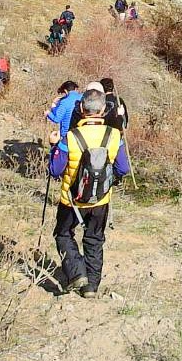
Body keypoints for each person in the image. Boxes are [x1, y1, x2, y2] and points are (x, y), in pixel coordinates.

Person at [54, 89, 129, 297]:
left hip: (71, 199)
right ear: (104, 110)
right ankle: (91, 287)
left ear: (81, 108)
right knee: (95, 239)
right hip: (101, 200)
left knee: (63, 234)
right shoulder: (114, 136)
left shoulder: (69, 137)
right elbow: (123, 168)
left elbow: (55, 169)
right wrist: (107, 180)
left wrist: (54, 146)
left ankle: (77, 272)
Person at [45, 80, 82, 152]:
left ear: (65, 90)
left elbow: (57, 118)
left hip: (67, 134)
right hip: (81, 132)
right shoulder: (83, 97)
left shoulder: (64, 102)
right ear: (75, 89)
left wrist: (48, 113)